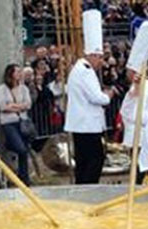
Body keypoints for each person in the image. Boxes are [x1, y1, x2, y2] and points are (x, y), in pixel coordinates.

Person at [64, 9, 115, 184]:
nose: (101, 62)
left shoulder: (80, 69)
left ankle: (82, 188)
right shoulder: (85, 71)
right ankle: (87, 189)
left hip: (82, 124)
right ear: (92, 55)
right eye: (100, 58)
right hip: (87, 125)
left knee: (84, 161)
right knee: (94, 160)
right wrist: (107, 96)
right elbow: (96, 97)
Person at [0, 63, 32, 185]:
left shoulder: (23, 89)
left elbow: (28, 104)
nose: (20, 74)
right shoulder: (2, 89)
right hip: (9, 122)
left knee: (24, 151)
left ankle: (24, 178)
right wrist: (19, 107)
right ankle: (9, 145)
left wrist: (13, 106)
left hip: (22, 121)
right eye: (17, 72)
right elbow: (2, 106)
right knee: (21, 149)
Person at [119, 67, 148, 149]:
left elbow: (134, 108)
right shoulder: (141, 85)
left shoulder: (144, 86)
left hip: (137, 130)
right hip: (134, 127)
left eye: (128, 72)